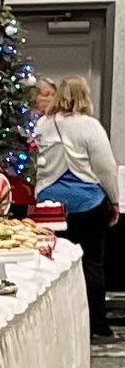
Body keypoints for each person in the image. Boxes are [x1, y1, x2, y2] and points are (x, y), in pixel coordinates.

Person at [33, 74, 119, 339]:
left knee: (50, 263)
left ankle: (53, 325)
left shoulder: (42, 124)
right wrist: (114, 201)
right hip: (87, 203)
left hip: (50, 203)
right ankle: (97, 325)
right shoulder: (90, 126)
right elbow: (105, 168)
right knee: (92, 263)